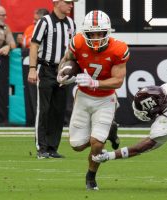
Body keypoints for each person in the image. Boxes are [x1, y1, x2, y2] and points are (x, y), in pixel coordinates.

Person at [57, 10, 130, 190]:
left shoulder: (119, 49)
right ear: (85, 33)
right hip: (83, 97)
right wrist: (62, 73)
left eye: (100, 33)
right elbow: (67, 60)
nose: (96, 38)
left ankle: (91, 177)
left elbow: (118, 80)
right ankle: (111, 131)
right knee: (77, 146)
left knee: (97, 144)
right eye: (92, 34)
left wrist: (94, 82)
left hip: (105, 99)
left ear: (108, 32)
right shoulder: (77, 43)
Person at [28, 0, 77, 159]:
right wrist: (32, 68)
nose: (71, 6)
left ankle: (52, 147)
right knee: (43, 109)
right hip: (46, 69)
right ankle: (41, 148)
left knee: (59, 111)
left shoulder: (71, 23)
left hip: (62, 71)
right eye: (68, 2)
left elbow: (72, 48)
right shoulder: (45, 21)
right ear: (57, 3)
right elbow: (34, 45)